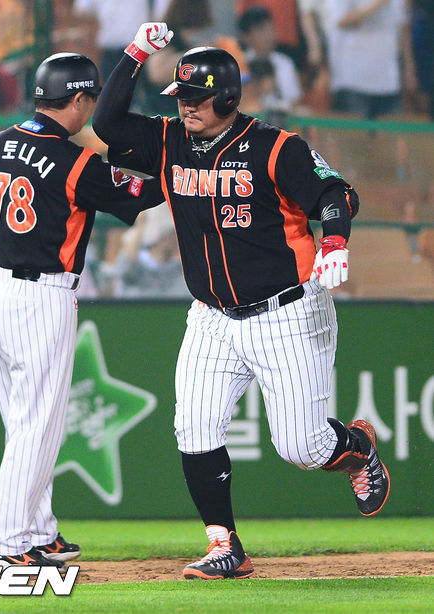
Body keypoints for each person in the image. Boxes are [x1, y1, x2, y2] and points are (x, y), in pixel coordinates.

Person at [93, 23, 391, 580]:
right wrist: (133, 55)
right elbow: (106, 125)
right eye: (180, 95)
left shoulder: (276, 147)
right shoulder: (169, 140)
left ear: (228, 97)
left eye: (196, 96)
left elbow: (335, 193)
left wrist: (334, 241)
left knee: (302, 447)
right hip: (211, 316)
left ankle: (355, 447)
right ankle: (225, 544)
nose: (185, 105)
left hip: (287, 312)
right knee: (194, 428)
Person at [0, 52, 163, 568]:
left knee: (25, 423)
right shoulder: (73, 161)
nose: (92, 108)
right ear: (78, 99)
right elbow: (140, 194)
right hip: (39, 297)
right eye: (90, 99)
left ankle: (37, 529)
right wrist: (182, 170)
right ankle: (5, 545)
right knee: (37, 425)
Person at [327, 0, 418, 119]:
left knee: (393, 129)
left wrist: (409, 69)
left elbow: (403, 30)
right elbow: (341, 21)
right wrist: (378, 3)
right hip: (352, 81)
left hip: (389, 82)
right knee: (354, 130)